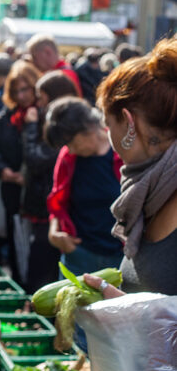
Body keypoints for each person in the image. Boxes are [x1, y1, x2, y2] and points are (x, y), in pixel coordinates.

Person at [84, 37, 177, 297]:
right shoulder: (154, 192)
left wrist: (130, 311)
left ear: (129, 123)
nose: (106, 134)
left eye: (108, 124)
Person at [44, 97, 124, 277]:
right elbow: (58, 202)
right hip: (79, 257)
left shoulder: (122, 153)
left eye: (71, 143)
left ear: (87, 130)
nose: (70, 150)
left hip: (121, 258)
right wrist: (54, 232)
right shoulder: (68, 158)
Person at [20, 71, 79, 293]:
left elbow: (36, 159)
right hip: (48, 210)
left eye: (42, 98)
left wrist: (30, 127)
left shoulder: (60, 129)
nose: (38, 103)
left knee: (44, 274)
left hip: (50, 212)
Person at [0, 60, 41, 282]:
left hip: (37, 194)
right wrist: (4, 170)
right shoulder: (7, 117)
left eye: (25, 89)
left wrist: (27, 178)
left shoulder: (42, 115)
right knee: (13, 238)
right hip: (11, 188)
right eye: (17, 90)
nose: (21, 96)